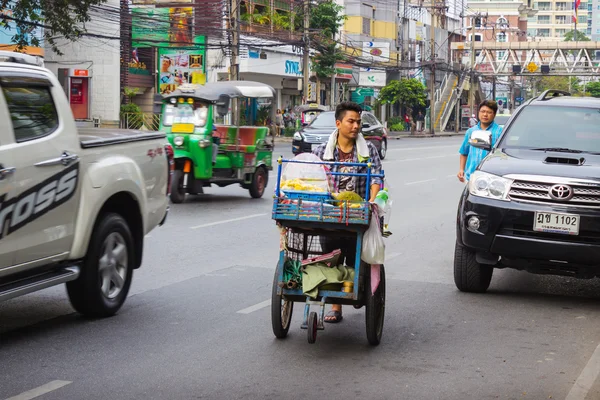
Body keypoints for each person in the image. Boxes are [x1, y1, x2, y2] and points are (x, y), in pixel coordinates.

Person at [312, 101, 383, 323]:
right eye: (351, 121)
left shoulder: (368, 149)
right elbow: (313, 180)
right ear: (339, 123)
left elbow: (377, 178)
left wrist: (371, 201)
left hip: (357, 215)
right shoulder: (321, 151)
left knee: (354, 258)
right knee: (332, 258)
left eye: (358, 122)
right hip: (330, 215)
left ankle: (357, 288)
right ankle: (336, 307)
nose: (355, 126)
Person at [457, 100, 503, 183]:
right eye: (483, 111)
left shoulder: (500, 132)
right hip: (470, 177)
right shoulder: (471, 132)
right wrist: (461, 169)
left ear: (494, 114)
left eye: (489, 112)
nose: (485, 114)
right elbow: (464, 153)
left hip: (491, 178)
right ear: (478, 112)